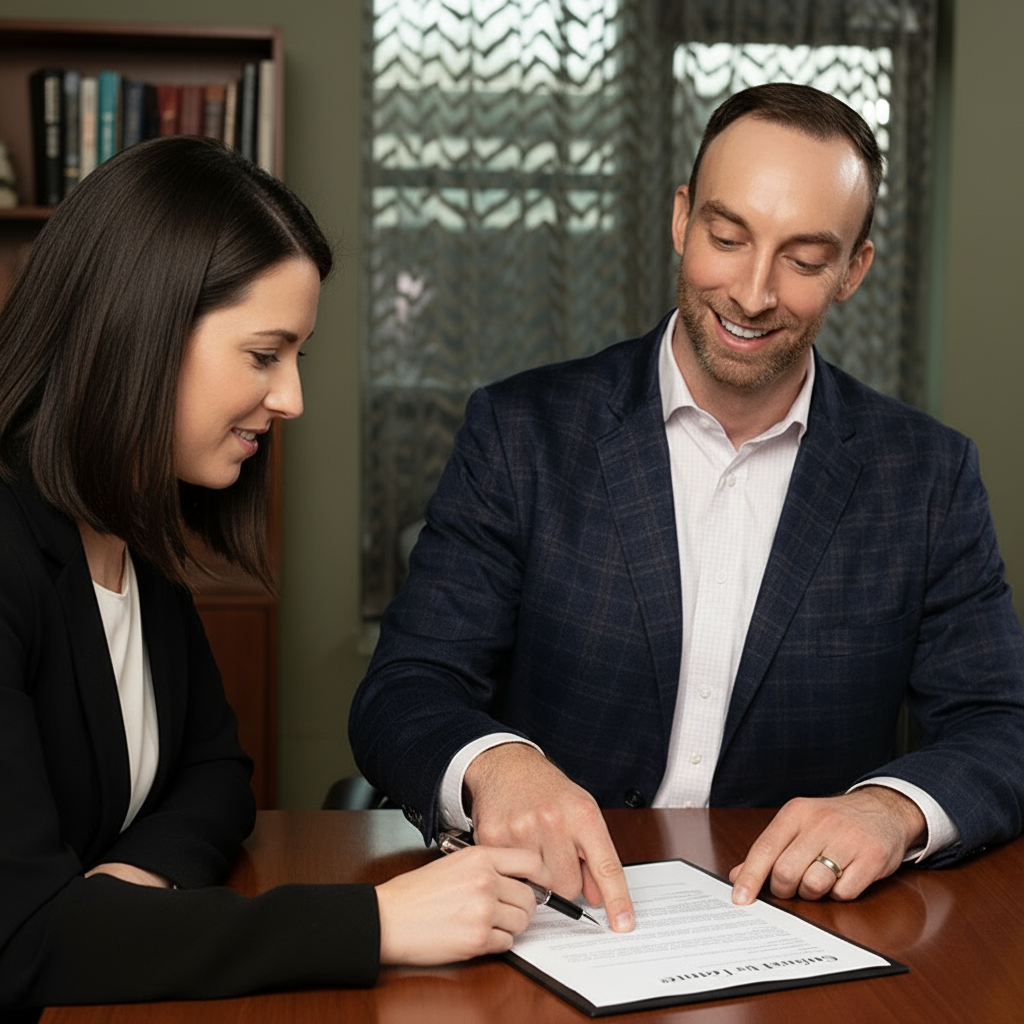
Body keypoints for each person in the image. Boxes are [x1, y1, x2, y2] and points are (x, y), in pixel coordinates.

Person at [349, 83, 1024, 933]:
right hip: (552, 918)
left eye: (805, 259)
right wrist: (501, 766)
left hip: (794, 934)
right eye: (727, 236)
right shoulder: (521, 431)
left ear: (854, 270)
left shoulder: (929, 476)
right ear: (682, 220)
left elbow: (1003, 725)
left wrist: (892, 810)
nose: (751, 292)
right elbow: (405, 688)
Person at [0, 136, 542, 1021]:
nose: (291, 399)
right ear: (139, 329)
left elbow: (217, 773)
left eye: (299, 358)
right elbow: (24, 942)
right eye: (264, 355)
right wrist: (372, 922)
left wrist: (135, 882)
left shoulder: (135, 535)